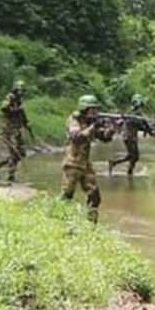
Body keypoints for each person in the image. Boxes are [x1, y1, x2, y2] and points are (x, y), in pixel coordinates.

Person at [61, 95, 115, 223]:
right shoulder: (74, 120)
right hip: (72, 163)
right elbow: (76, 137)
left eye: (96, 110)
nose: (95, 112)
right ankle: (59, 220)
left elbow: (104, 138)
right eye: (92, 109)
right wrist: (93, 127)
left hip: (85, 165)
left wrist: (111, 130)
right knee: (67, 195)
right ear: (84, 109)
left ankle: (91, 224)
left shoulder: (90, 122)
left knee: (94, 195)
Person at [0, 80, 33, 182]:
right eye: (20, 90)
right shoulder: (10, 97)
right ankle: (11, 176)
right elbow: (4, 108)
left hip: (17, 130)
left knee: (21, 153)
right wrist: (16, 110)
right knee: (14, 153)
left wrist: (27, 125)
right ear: (16, 89)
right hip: (9, 130)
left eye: (23, 91)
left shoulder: (19, 101)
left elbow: (22, 116)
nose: (22, 92)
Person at [108, 94, 155, 175]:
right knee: (134, 156)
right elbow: (141, 124)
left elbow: (141, 125)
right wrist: (149, 130)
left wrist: (149, 130)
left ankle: (117, 164)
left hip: (129, 137)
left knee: (132, 156)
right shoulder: (134, 113)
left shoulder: (133, 113)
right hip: (129, 137)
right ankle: (125, 170)